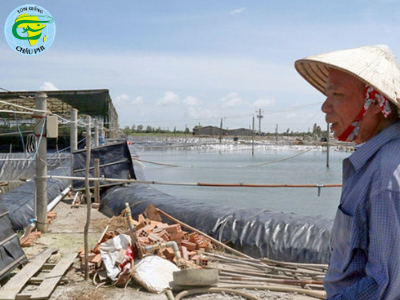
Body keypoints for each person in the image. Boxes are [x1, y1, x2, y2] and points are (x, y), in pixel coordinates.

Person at [295, 45, 400, 299]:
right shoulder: (369, 164)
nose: (324, 107)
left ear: (374, 103)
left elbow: (384, 286)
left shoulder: (386, 176)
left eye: (337, 94)